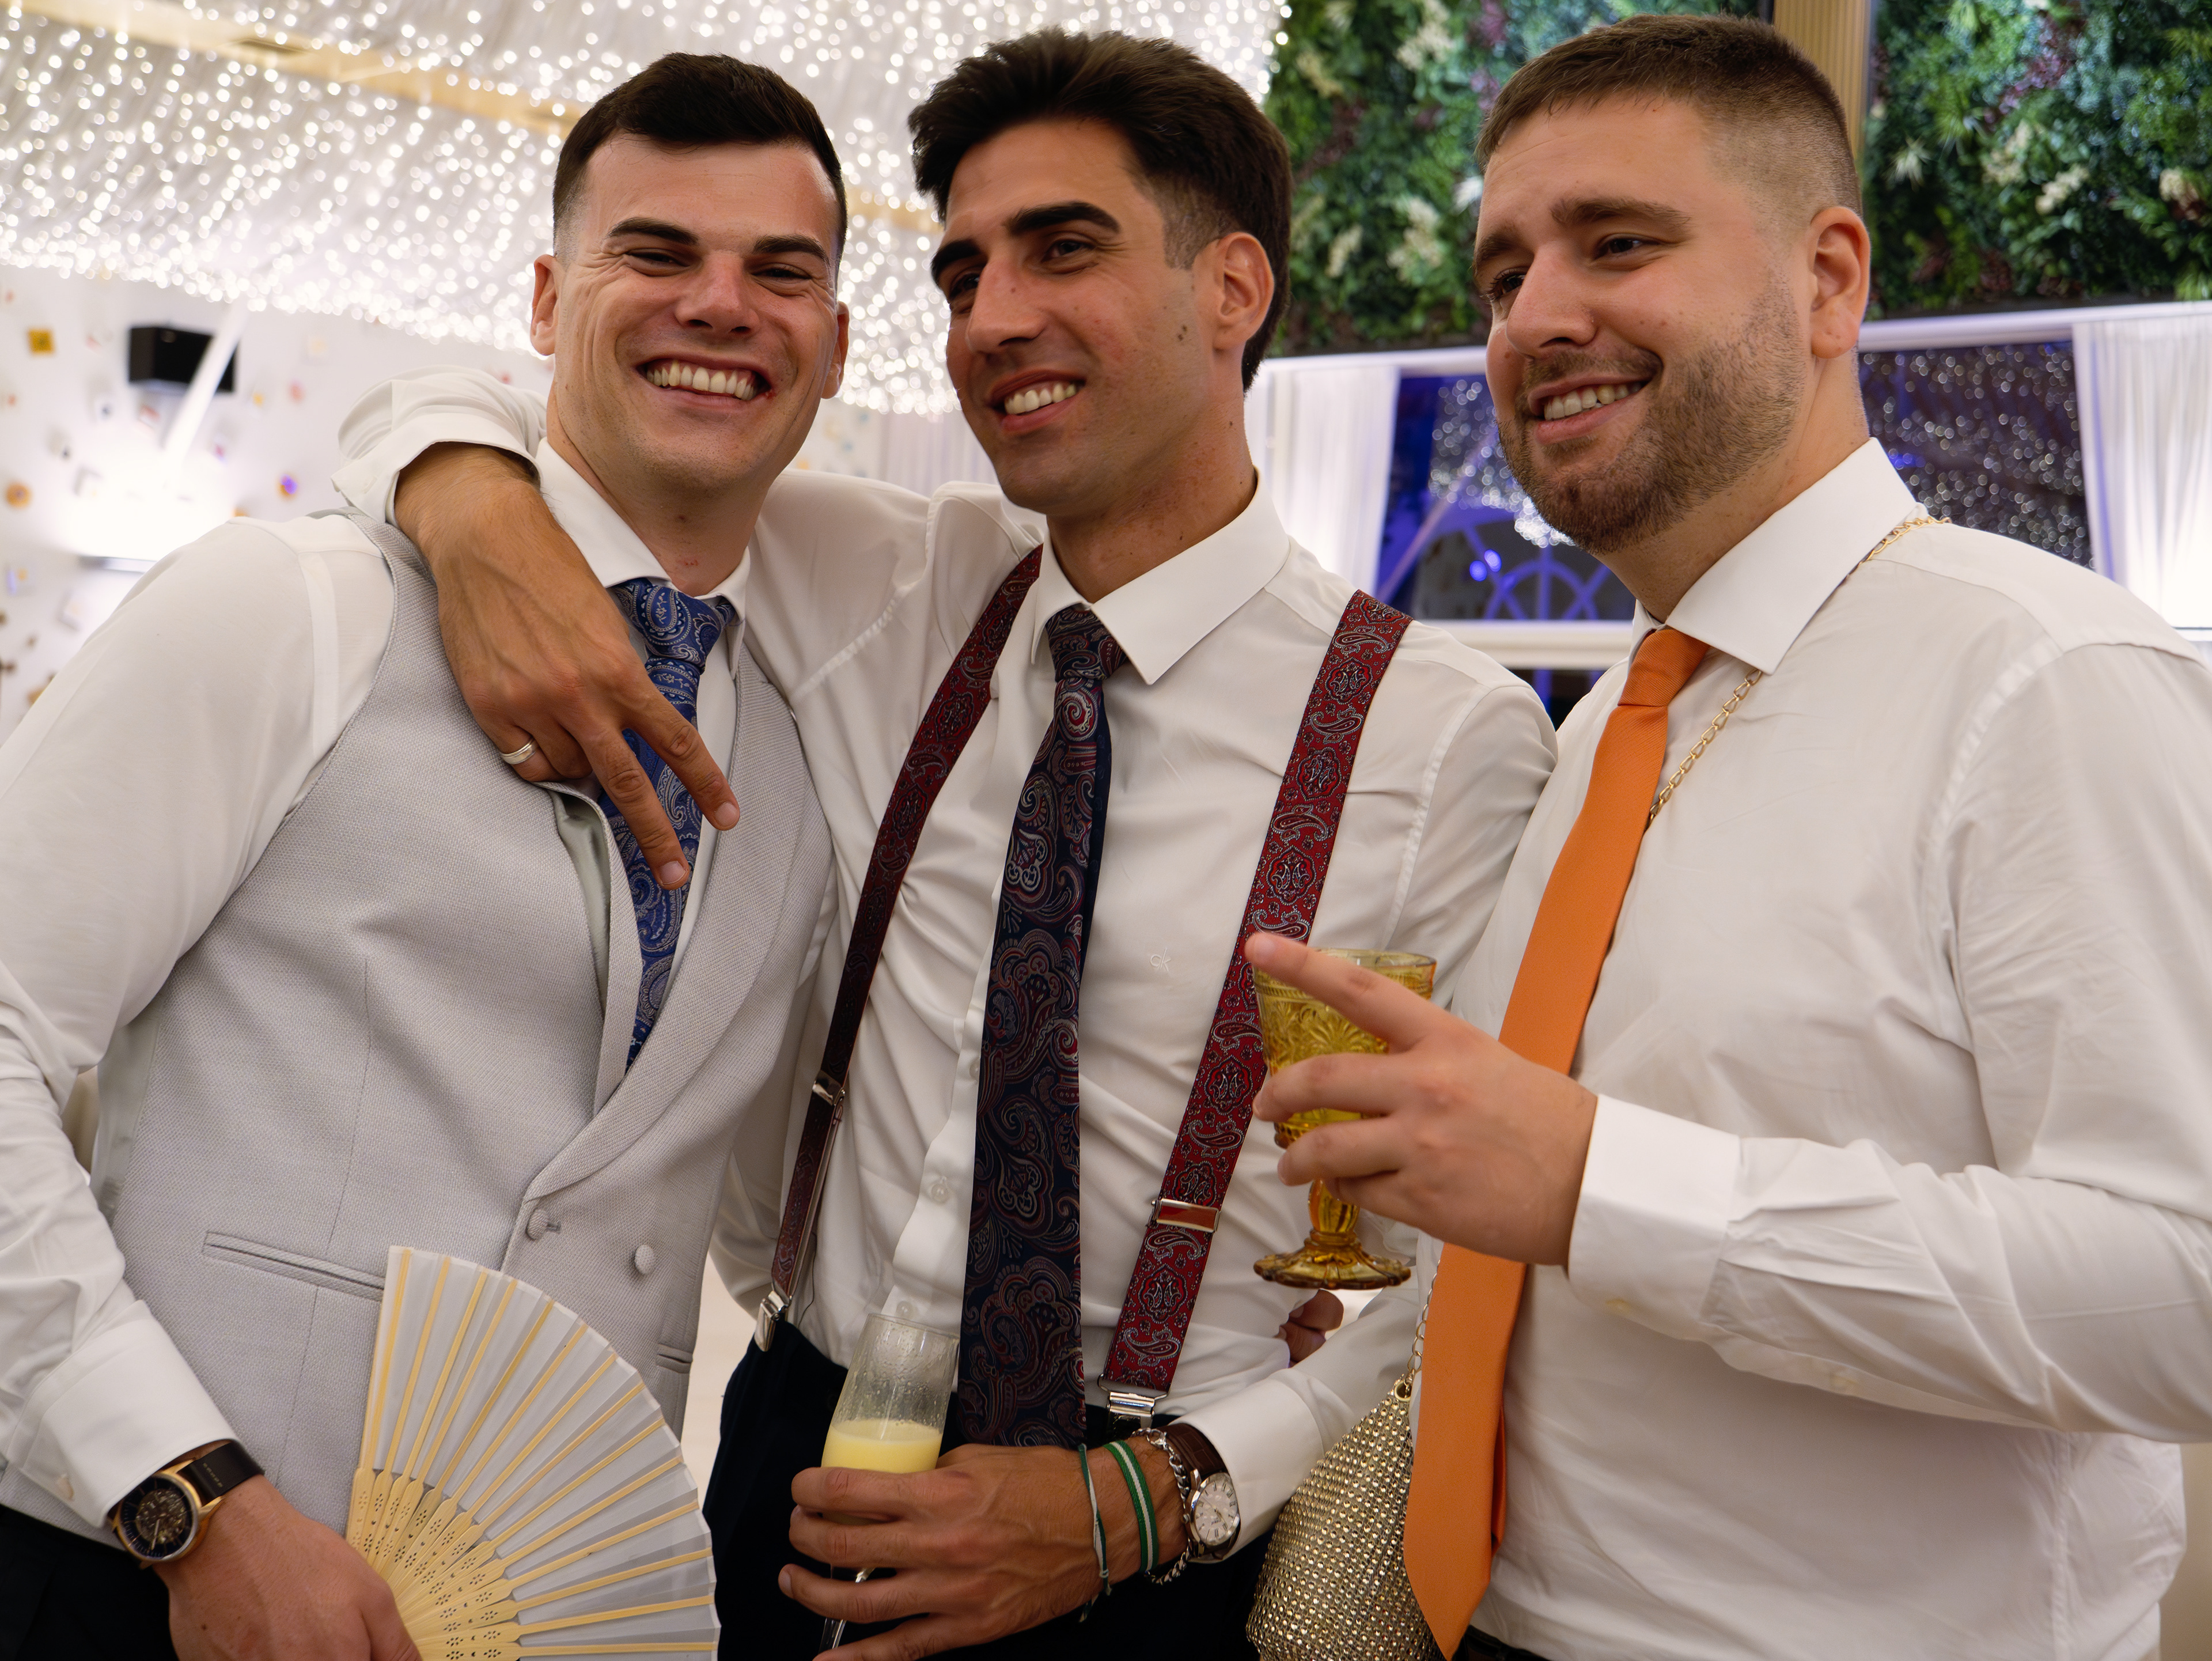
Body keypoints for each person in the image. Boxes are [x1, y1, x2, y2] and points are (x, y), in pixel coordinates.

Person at [333, 29, 1555, 1659]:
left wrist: (1156, 1497)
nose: (992, 320)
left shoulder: (1445, 735)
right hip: (799, 1460)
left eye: (1064, 250)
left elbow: (1474, 1260)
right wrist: (467, 499)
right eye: (964, 273)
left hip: (1165, 1532)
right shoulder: (879, 580)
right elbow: (537, 413)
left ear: (1233, 288)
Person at [1244, 16, 2212, 1661]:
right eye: (1502, 276)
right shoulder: (1608, 727)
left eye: (1619, 243)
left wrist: (1598, 1183)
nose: (1535, 317)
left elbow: (2183, 1291)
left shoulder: (2048, 680)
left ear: (1828, 281)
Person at [0, 55, 844, 1660]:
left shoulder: (806, 764)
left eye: (781, 271)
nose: (722, 304)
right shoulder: (292, 606)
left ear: (837, 344)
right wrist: (188, 1496)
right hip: (143, 1587)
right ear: (546, 298)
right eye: (656, 252)